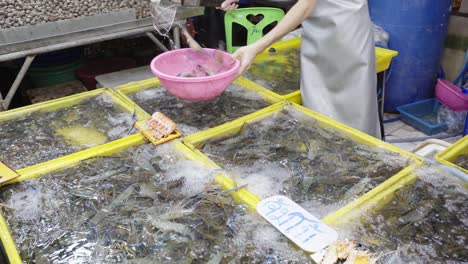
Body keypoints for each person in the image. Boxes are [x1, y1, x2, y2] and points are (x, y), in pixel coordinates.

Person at [219, 0, 380, 139]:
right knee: (320, 112)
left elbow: (305, 6)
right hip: (318, 33)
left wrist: (256, 47)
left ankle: (365, 166)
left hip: (344, 35)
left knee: (354, 113)